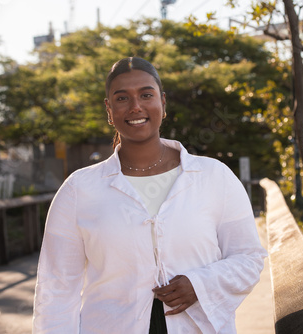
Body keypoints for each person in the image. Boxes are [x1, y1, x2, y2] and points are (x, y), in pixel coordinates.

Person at [33, 56, 267, 334]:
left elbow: (249, 258)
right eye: (122, 99)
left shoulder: (214, 177)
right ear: (109, 110)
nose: (135, 106)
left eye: (146, 95)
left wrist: (200, 284)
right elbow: (56, 289)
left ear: (163, 103)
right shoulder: (78, 190)